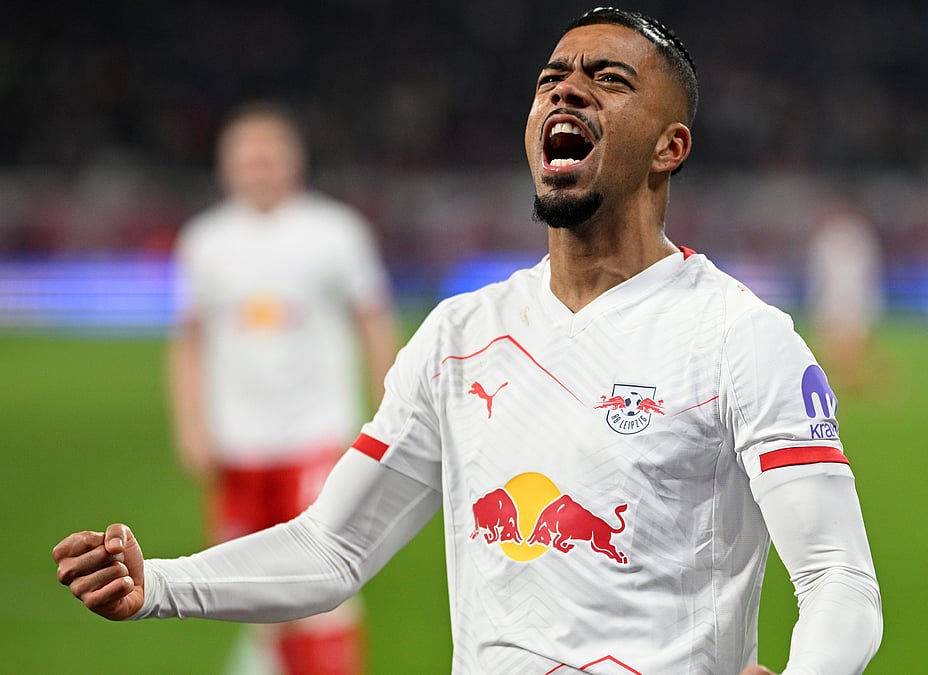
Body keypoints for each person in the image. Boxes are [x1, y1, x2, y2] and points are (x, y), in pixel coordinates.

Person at [54, 9, 882, 674]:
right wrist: (156, 583)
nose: (567, 91)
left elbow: (838, 577)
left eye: (609, 80)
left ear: (671, 146)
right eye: (551, 79)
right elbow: (333, 546)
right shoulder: (460, 337)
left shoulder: (741, 337)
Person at [167, 101, 399, 674]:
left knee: (321, 582)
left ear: (294, 161)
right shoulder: (205, 241)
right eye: (246, 157)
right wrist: (190, 426)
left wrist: (389, 408)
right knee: (246, 585)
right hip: (238, 445)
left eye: (268, 155)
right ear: (226, 165)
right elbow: (189, 339)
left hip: (316, 438)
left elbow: (372, 321)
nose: (258, 167)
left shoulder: (335, 232)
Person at [804, 203, 885, 394]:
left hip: (846, 297)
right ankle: (851, 380)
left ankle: (855, 380)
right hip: (839, 297)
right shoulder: (834, 237)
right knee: (834, 343)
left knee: (847, 342)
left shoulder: (851, 235)